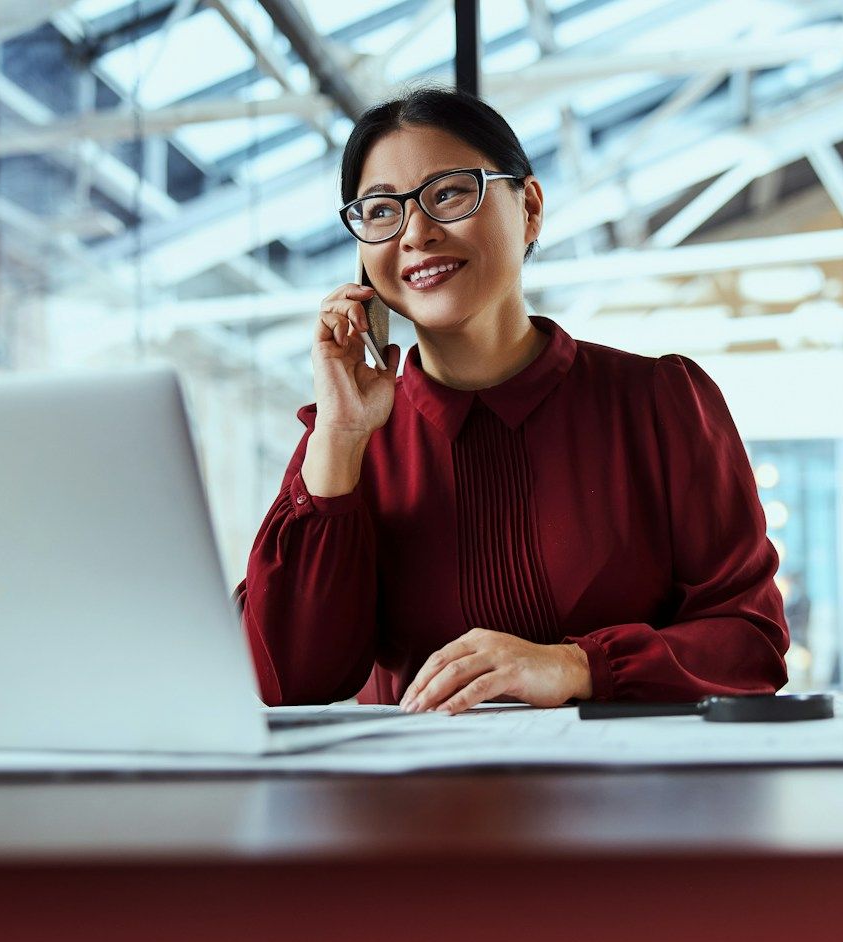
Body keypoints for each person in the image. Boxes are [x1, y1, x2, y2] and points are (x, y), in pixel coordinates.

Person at [240, 86, 786, 713]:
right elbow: (285, 684)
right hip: (419, 805)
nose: (415, 233)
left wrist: (576, 666)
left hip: (635, 798)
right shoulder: (348, 439)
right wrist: (338, 439)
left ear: (528, 206)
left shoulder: (660, 402)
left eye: (448, 193)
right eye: (382, 210)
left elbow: (750, 643)